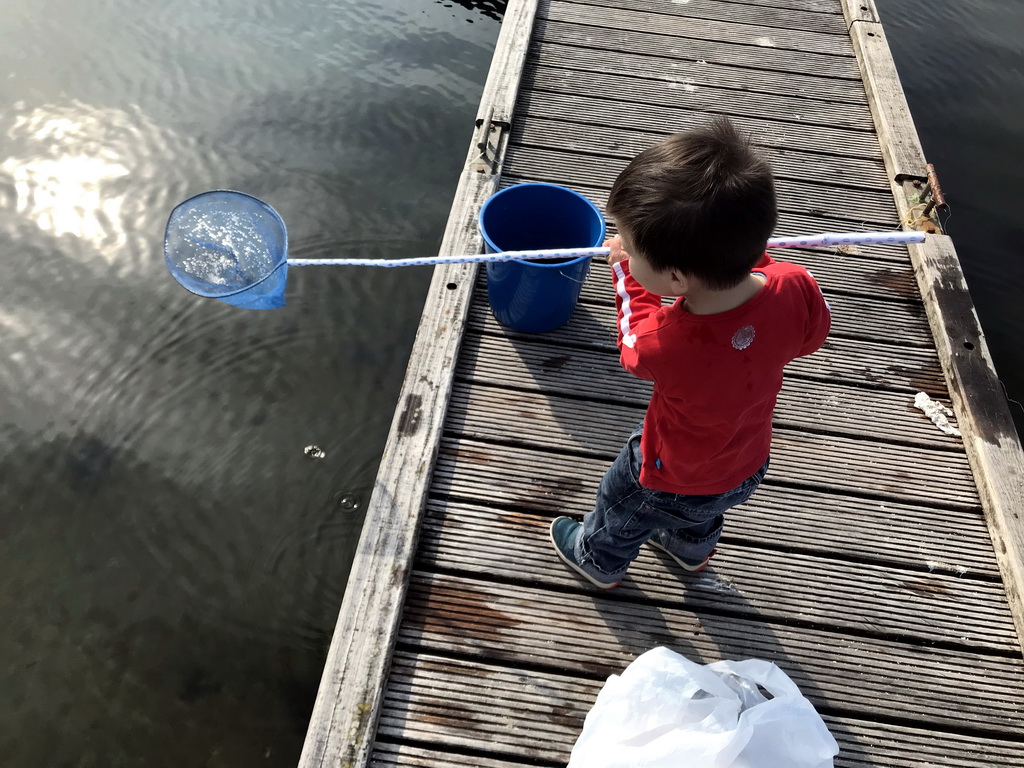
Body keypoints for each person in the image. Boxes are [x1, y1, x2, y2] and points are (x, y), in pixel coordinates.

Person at [549, 117, 831, 589]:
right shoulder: (795, 284)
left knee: (621, 501)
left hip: (669, 470)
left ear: (677, 279)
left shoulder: (668, 341)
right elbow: (810, 336)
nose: (626, 252)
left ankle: (597, 560)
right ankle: (690, 550)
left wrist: (623, 275)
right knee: (704, 509)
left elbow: (633, 345)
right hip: (747, 460)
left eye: (631, 247)